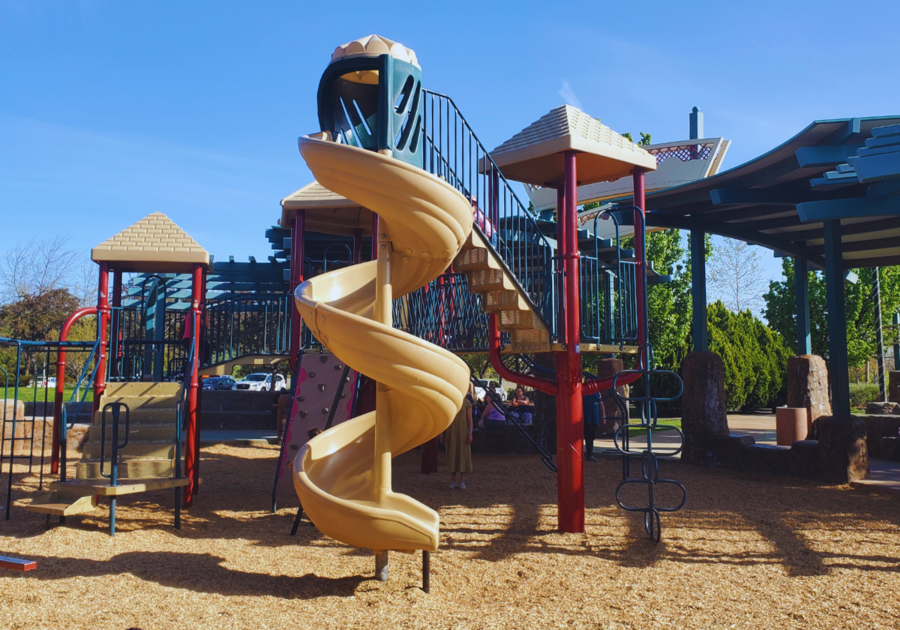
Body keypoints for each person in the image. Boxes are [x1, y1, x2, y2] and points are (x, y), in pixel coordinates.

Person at [440, 383, 474, 489]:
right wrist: (441, 431)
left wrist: (470, 432)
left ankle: (462, 481)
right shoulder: (449, 403)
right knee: (452, 453)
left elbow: (470, 419)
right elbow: (444, 418)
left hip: (463, 431)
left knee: (463, 454)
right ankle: (453, 480)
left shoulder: (466, 403)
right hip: (451, 431)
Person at [583, 390, 601, 462]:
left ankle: (589, 455)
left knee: (590, 437)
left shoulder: (597, 392)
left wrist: (603, 415)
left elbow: (601, 403)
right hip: (584, 417)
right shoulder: (582, 390)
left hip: (593, 417)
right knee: (579, 437)